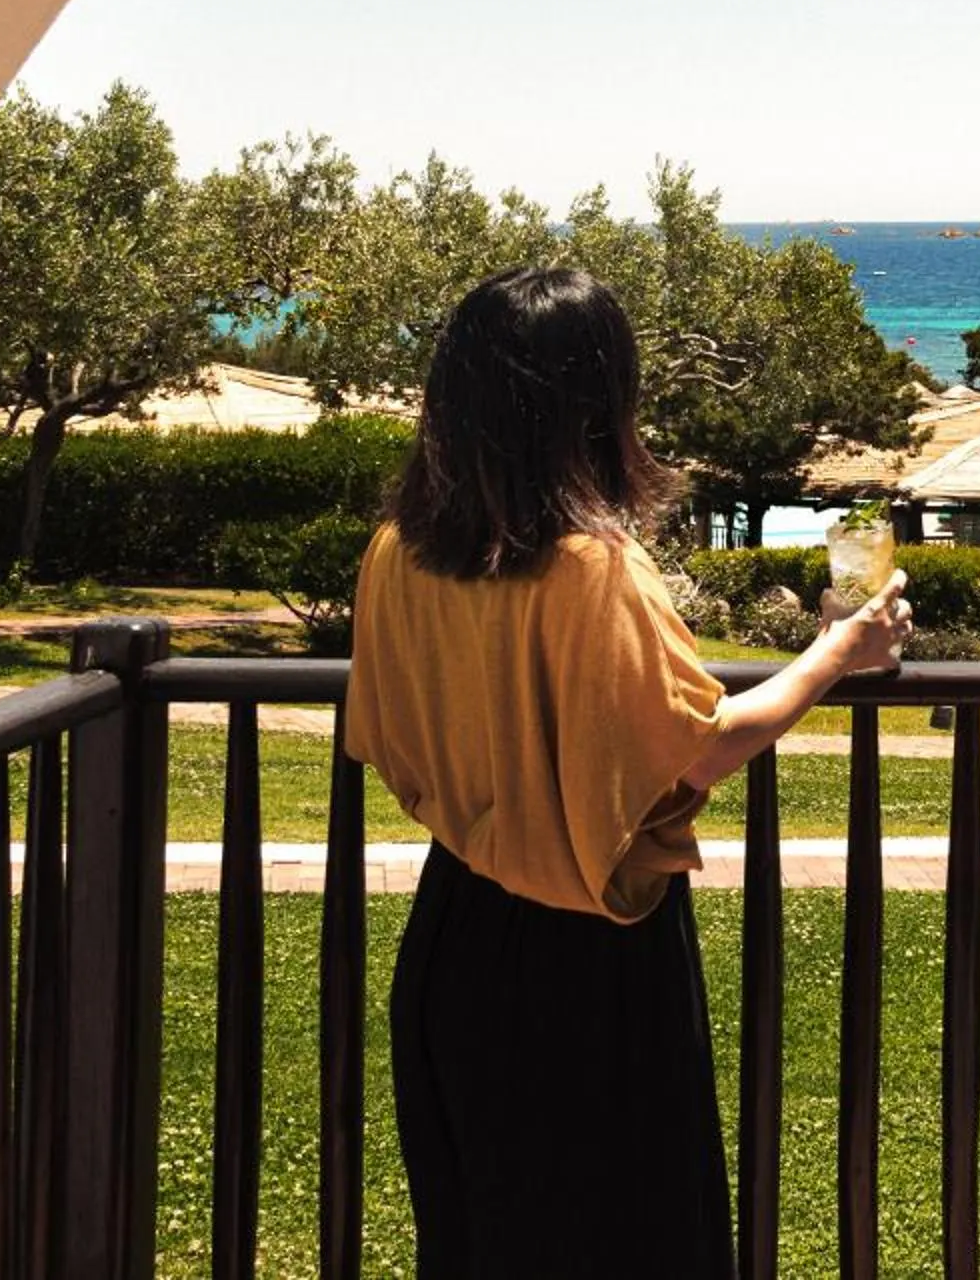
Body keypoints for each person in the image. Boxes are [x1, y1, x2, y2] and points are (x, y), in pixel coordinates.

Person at [345, 267, 914, 1278]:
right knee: (626, 1232)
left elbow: (391, 743)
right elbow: (699, 742)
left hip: (452, 940)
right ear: (596, 403)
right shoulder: (593, 567)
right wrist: (839, 653)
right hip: (587, 961)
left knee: (479, 1232)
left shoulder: (398, 553)